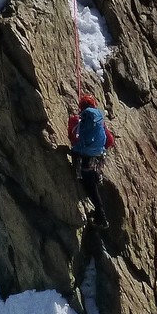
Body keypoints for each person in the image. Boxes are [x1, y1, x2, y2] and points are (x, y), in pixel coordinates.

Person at [67, 94, 114, 228]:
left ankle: (102, 217)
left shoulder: (77, 120)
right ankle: (93, 177)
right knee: (92, 184)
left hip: (83, 157)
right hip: (97, 157)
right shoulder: (99, 121)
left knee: (91, 188)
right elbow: (110, 141)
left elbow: (72, 137)